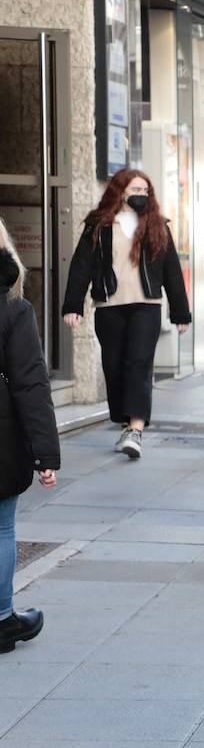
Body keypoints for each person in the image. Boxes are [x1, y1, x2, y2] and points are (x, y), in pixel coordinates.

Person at [61, 169, 191, 459]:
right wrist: (72, 306)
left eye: (145, 191)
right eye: (135, 190)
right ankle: (125, 420)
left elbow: (171, 270)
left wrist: (180, 312)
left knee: (138, 363)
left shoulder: (158, 225)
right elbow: (82, 265)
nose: (141, 196)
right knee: (114, 365)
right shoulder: (99, 225)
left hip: (147, 305)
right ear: (119, 192)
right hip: (109, 306)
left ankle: (136, 428)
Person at [0, 225, 60, 654]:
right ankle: (2, 619)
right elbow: (30, 384)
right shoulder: (13, 308)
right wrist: (45, 454)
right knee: (2, 525)